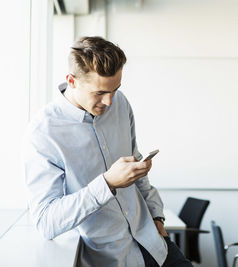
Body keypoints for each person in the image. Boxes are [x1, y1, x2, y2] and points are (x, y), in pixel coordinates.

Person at [23, 36, 192, 267]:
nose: (110, 102)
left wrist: (157, 217)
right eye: (99, 93)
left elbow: (138, 171)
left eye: (116, 89)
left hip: (153, 242)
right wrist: (107, 183)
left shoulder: (120, 103)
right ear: (71, 81)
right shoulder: (44, 132)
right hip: (109, 257)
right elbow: (46, 222)